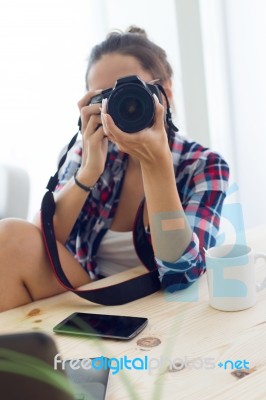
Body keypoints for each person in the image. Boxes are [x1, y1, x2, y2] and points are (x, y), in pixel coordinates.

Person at [0, 26, 229, 312]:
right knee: (8, 238)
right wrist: (88, 172)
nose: (121, 106)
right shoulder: (88, 148)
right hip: (94, 294)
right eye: (105, 97)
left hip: (168, 306)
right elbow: (39, 244)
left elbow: (181, 275)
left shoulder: (203, 166)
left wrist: (156, 162)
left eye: (130, 92)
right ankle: (25, 353)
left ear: (166, 91)